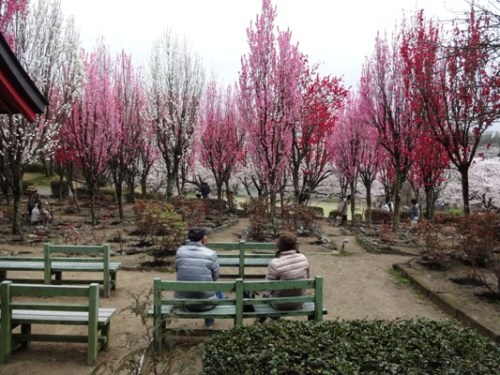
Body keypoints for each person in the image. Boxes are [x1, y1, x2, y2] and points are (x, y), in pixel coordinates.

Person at [174, 227, 220, 328]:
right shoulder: (211, 254)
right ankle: (209, 323)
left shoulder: (180, 251)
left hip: (182, 302)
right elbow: (215, 277)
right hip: (205, 304)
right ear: (203, 238)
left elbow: (177, 269)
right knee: (217, 289)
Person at [263, 231, 310, 311]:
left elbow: (268, 287)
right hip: (299, 302)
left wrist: (264, 297)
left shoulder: (274, 263)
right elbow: (307, 279)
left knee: (267, 296)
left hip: (279, 304)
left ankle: (263, 318)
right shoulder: (304, 259)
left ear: (279, 245)